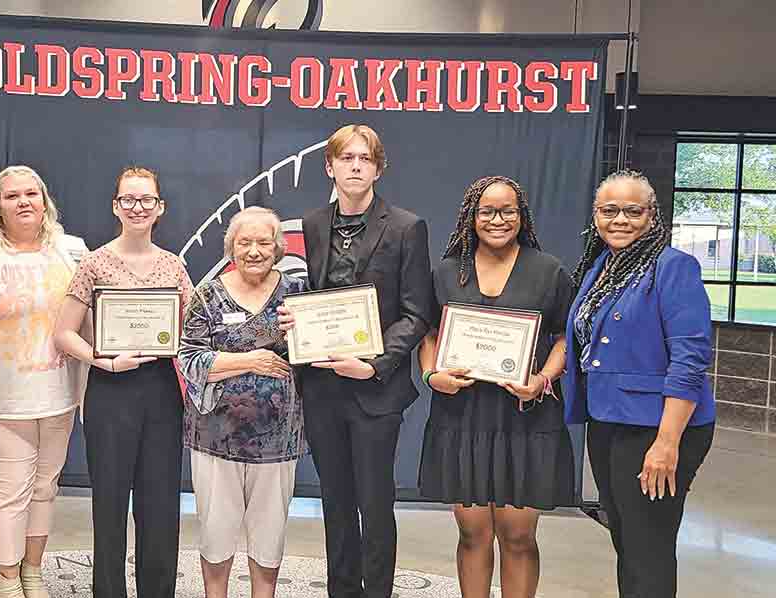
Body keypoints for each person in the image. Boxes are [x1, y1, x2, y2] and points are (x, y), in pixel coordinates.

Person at [278, 124, 434, 598]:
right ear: (329, 166)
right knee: (335, 501)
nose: (355, 166)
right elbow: (309, 297)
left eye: (365, 159)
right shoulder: (311, 224)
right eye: (346, 158)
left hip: (375, 389)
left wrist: (375, 363)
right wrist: (294, 321)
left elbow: (416, 312)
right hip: (323, 386)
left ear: (379, 168)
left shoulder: (407, 227)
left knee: (375, 501)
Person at [417, 176, 576, 598]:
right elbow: (429, 333)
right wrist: (433, 376)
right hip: (464, 417)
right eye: (487, 211)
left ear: (521, 218)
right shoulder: (448, 272)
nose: (497, 219)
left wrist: (542, 379)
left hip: (525, 415)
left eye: (508, 211)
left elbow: (566, 337)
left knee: (518, 536)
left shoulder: (549, 270)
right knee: (473, 534)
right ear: (471, 218)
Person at [562, 170, 715, 598]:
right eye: (610, 210)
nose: (621, 219)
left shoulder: (673, 267)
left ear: (652, 216)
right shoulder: (600, 266)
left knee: (648, 546)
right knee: (626, 540)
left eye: (634, 210)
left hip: (659, 427)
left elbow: (690, 358)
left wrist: (667, 443)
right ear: (596, 216)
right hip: (607, 420)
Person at [54, 166, 192, 598]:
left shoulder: (174, 266)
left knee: (159, 504)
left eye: (146, 200)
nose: (138, 207)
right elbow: (63, 333)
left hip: (161, 392)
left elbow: (191, 330)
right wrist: (103, 360)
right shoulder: (93, 263)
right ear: (116, 206)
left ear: (160, 208)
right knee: (110, 504)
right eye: (128, 199)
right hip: (109, 389)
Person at [0, 166, 89, 598]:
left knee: (46, 487)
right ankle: (7, 578)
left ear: (45, 201)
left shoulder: (72, 250)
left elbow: (95, 314)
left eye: (32, 193)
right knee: (9, 492)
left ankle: (33, 571)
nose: (24, 202)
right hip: (1, 396)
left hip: (60, 393)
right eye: (12, 196)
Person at [178, 207, 307, 598]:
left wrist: (300, 337)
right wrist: (251, 361)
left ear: (278, 248)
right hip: (215, 438)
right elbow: (189, 358)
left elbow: (315, 356)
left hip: (278, 440)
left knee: (269, 539)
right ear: (231, 248)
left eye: (264, 242)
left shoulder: (299, 294)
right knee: (216, 534)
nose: (254, 250)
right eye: (244, 242)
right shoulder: (207, 295)